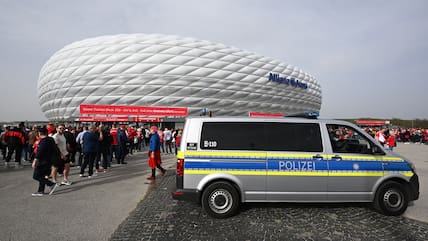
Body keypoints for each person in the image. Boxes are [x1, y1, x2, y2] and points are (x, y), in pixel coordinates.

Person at [31, 127, 58, 196]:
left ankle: (51, 184)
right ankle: (41, 191)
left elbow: (39, 152)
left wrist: (34, 161)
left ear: (40, 133)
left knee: (36, 176)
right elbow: (55, 149)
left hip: (42, 161)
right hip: (49, 160)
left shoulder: (43, 141)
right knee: (42, 176)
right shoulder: (51, 139)